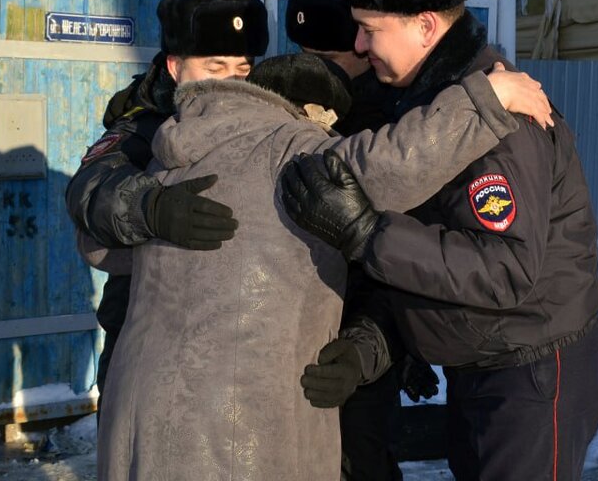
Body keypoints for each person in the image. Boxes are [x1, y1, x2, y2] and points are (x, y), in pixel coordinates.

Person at [96, 49, 553, 480]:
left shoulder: (165, 154)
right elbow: (401, 157)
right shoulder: (298, 156)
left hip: (135, 416)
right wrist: (488, 99)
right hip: (238, 432)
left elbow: (96, 245)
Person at [281, 0, 598, 481]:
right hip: (485, 361)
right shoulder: (434, 106)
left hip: (528, 372)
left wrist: (368, 233)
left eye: (369, 30)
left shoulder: (498, 126)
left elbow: (503, 269)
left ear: (425, 25)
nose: (359, 46)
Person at [66, 0, 269, 401]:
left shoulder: (268, 121)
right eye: (215, 67)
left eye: (242, 69)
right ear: (176, 67)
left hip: (237, 342)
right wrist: (149, 207)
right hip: (143, 340)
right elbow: (90, 189)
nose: (232, 83)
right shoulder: (142, 123)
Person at [287, 0, 436, 481]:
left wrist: (384, 345)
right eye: (303, 53)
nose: (313, 74)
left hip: (364, 348)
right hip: (288, 347)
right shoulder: (280, 110)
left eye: (326, 60)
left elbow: (414, 252)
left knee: (362, 461)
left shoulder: (396, 126)